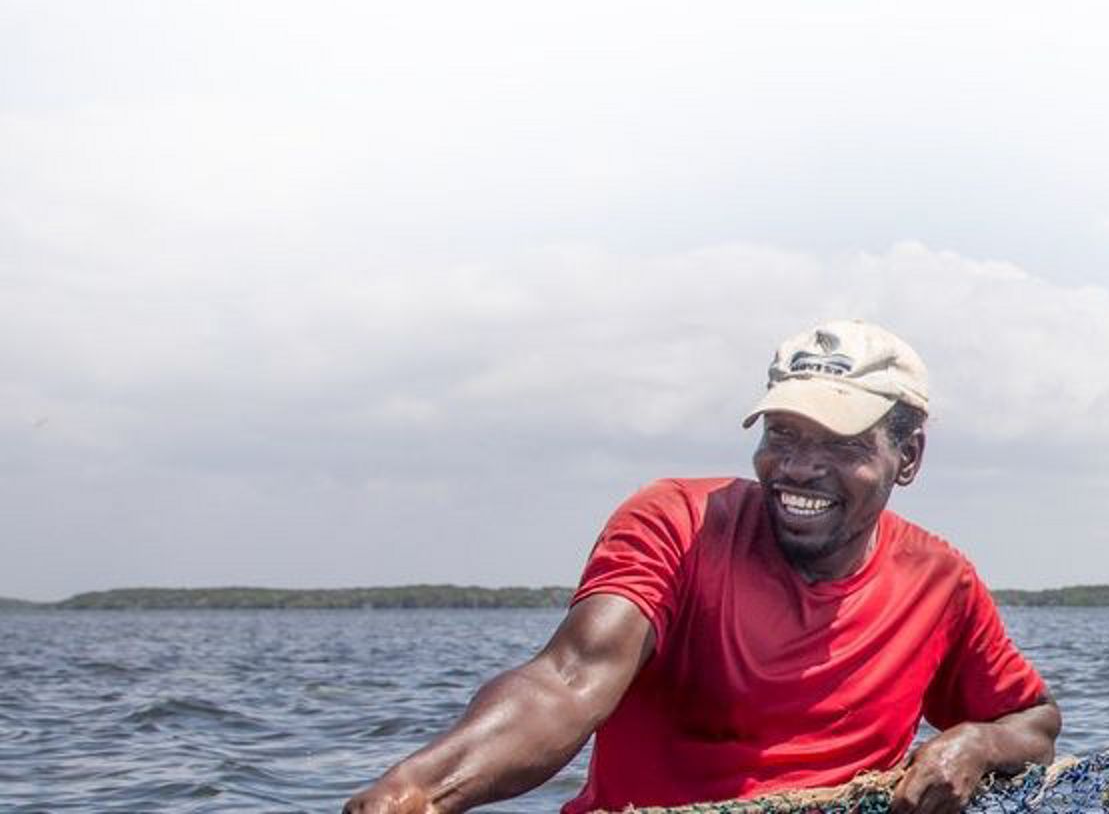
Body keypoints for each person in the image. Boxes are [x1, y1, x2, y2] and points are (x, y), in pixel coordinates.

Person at [347, 320, 1058, 814]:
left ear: (909, 458)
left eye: (841, 443)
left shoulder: (939, 580)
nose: (800, 467)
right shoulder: (677, 524)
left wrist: (974, 743)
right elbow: (568, 681)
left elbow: (1032, 722)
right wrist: (422, 789)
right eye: (783, 434)